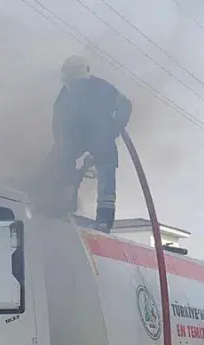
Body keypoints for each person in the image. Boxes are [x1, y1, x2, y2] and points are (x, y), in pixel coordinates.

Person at [50, 54, 133, 230]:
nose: (75, 87)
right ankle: (59, 206)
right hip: (77, 140)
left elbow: (125, 105)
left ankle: (104, 221)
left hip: (102, 139)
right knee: (58, 164)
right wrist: (62, 142)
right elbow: (56, 121)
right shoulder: (65, 93)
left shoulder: (102, 88)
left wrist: (112, 130)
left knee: (106, 184)